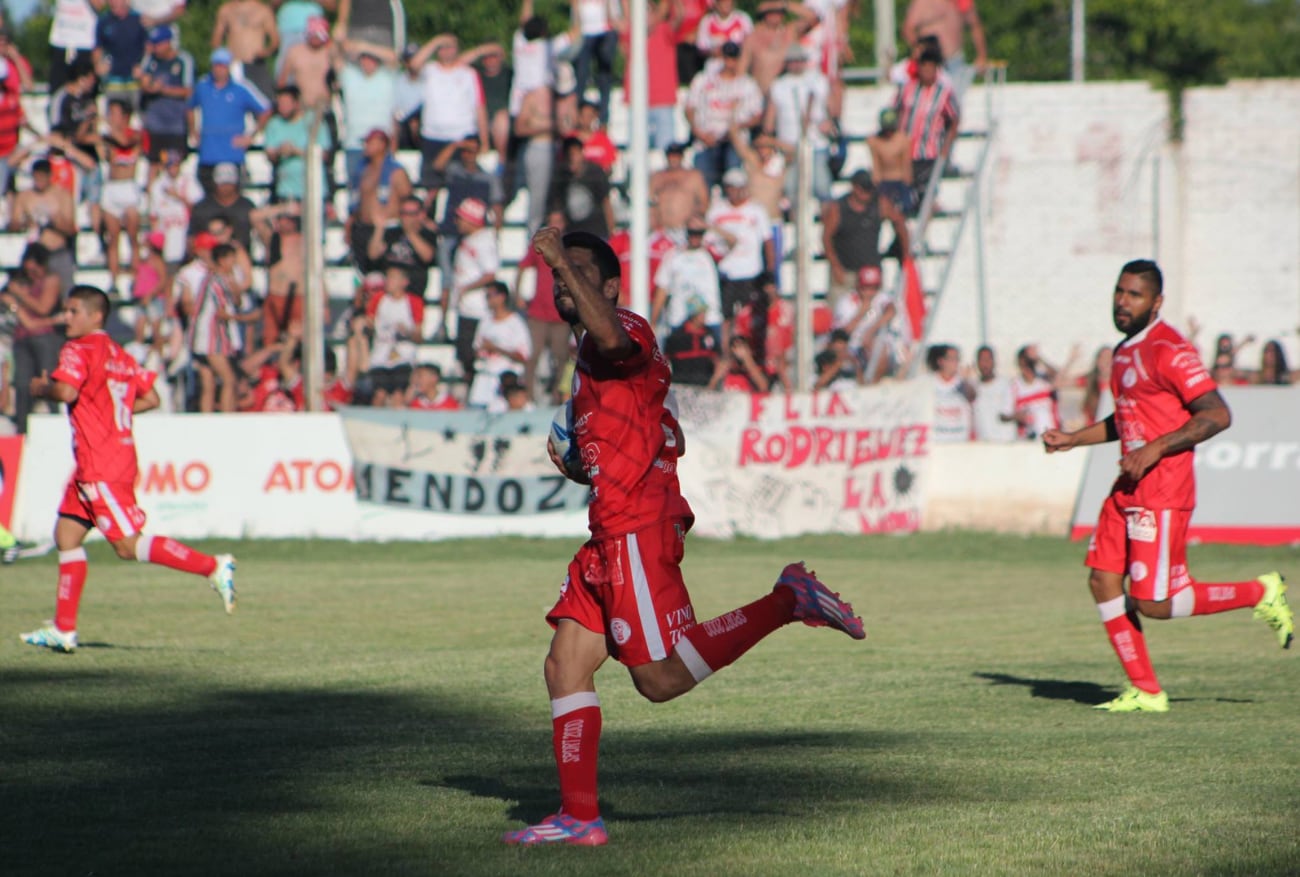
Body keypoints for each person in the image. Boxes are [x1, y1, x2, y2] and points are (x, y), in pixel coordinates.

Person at [501, 227, 865, 846]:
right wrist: (583, 466)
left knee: (659, 680)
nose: (565, 282)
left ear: (611, 287)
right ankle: (579, 819)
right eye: (561, 278)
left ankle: (789, 599)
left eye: (581, 274)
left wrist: (558, 252)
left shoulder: (625, 328)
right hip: (610, 526)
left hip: (636, 526)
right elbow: (651, 430)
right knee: (565, 665)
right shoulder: (589, 353)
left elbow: (619, 344)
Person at [1042, 260, 1293, 713]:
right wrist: (1073, 439)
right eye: (1120, 291)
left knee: (1155, 603)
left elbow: (1217, 414)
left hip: (1163, 488)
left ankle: (1260, 592)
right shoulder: (1122, 352)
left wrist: (1155, 449)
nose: (1123, 301)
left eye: (1135, 295)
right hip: (1128, 485)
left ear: (1156, 302)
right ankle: (1146, 691)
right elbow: (1127, 419)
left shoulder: (1170, 350)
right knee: (1102, 580)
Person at [19, 286, 237, 654]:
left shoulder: (78, 349)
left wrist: (43, 387)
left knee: (127, 545)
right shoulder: (119, 354)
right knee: (67, 535)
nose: (66, 318)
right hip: (106, 459)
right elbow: (151, 398)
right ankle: (63, 630)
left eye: (73, 311)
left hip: (100, 465)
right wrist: (108, 411)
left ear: (95, 316)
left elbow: (67, 393)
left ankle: (213, 566)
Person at [821, 169, 908, 310]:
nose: (867, 194)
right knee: (838, 313)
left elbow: (899, 222)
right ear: (854, 187)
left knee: (873, 312)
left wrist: (905, 252)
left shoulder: (880, 204)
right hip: (845, 271)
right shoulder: (838, 208)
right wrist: (836, 266)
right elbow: (826, 238)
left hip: (870, 270)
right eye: (863, 189)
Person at [893, 44, 960, 207]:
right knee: (902, 198)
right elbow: (896, 111)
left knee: (926, 194)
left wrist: (946, 147)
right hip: (905, 151)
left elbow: (954, 119)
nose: (927, 71)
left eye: (931, 67)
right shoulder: (907, 89)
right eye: (924, 66)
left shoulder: (943, 93)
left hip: (929, 151)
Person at [212, 0, 280, 98]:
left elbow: (275, 40)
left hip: (255, 64)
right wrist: (221, 57)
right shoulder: (227, 10)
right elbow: (216, 37)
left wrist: (266, 52)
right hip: (234, 64)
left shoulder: (263, 10)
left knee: (263, 98)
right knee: (233, 98)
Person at [867, 107, 916, 217]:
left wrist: (907, 185)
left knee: (905, 208)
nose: (888, 133)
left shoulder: (903, 140)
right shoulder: (874, 141)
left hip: (900, 182)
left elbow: (906, 165)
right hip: (883, 182)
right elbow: (876, 166)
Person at [927, 342, 972, 442]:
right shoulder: (929, 382)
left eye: (957, 359)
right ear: (941, 361)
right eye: (952, 358)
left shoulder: (962, 382)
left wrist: (965, 381)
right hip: (936, 441)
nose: (956, 362)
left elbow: (973, 397)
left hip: (959, 441)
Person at [970, 344, 1016, 441]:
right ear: (977, 363)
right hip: (982, 443)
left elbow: (1006, 414)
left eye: (988, 359)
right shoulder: (973, 386)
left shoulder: (1005, 384)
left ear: (994, 362)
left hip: (1004, 442)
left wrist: (1018, 416)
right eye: (982, 360)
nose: (985, 364)